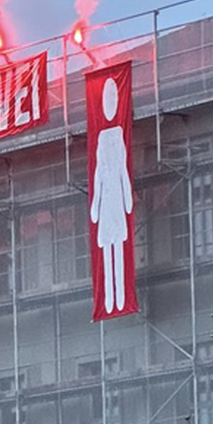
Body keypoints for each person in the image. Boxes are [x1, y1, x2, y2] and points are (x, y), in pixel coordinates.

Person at [90, 77, 133, 314]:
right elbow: (97, 172)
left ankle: (120, 296)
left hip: (115, 197)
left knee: (117, 247)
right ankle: (110, 298)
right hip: (107, 198)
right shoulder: (101, 137)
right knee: (107, 249)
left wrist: (127, 201)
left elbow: (124, 169)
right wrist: (95, 205)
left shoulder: (117, 134)